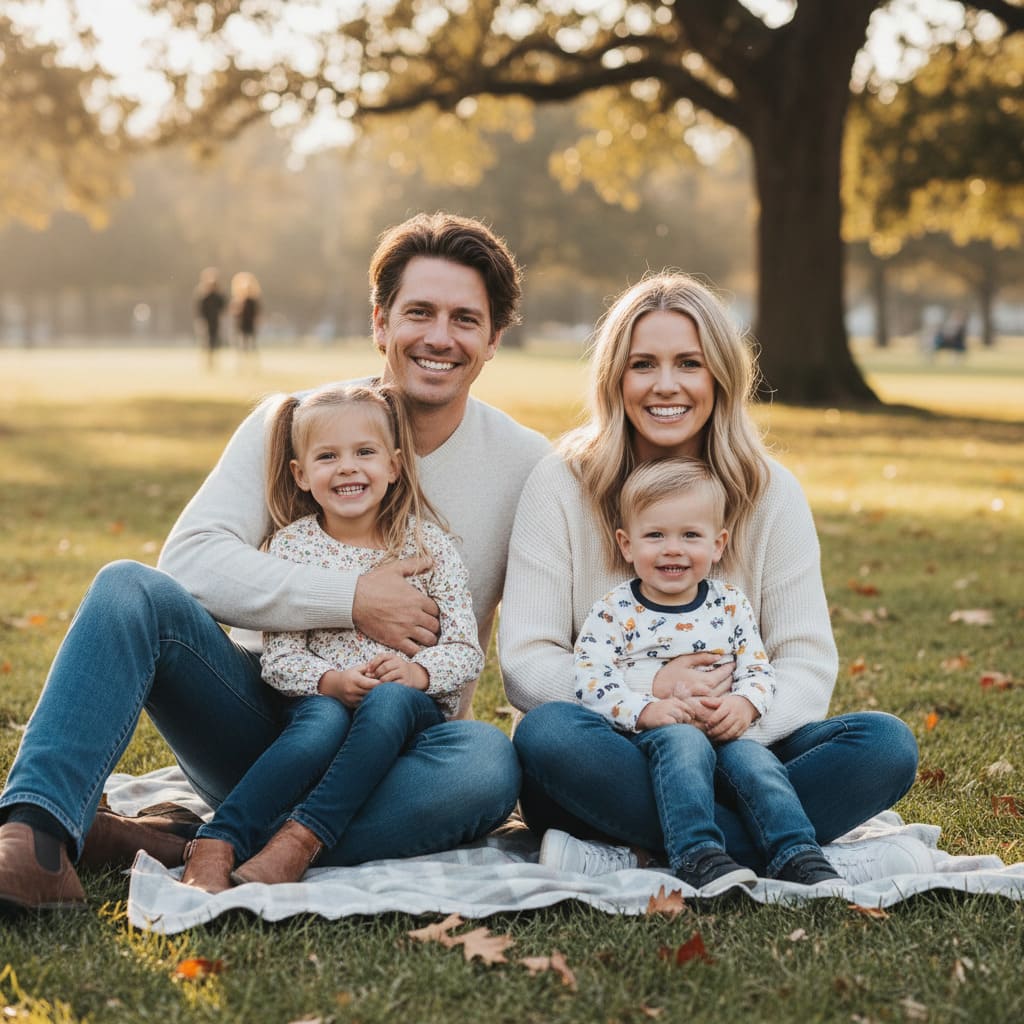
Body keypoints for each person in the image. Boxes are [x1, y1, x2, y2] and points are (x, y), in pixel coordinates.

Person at [0, 212, 550, 912]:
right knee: (127, 589)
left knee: (488, 763)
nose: (440, 337)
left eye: (465, 319)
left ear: (494, 338)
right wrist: (352, 597)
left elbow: (538, 638)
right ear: (380, 322)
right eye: (419, 312)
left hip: (402, 751)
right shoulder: (292, 424)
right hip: (271, 724)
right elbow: (190, 562)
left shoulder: (527, 463)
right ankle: (37, 840)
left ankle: (194, 842)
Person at [500, 272, 927, 888]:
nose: (665, 385)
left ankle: (653, 852)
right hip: (614, 752)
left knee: (885, 745)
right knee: (546, 734)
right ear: (615, 377)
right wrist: (652, 699)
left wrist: (734, 713)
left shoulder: (770, 492)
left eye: (689, 363)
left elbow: (805, 661)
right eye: (643, 363)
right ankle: (788, 845)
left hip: (743, 750)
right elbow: (525, 661)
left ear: (720, 375)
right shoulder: (561, 483)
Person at [180, 383, 484, 891]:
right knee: (319, 721)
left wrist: (417, 672)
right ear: (301, 475)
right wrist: (331, 682)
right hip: (320, 702)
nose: (347, 467)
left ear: (393, 465)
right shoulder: (292, 547)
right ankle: (218, 839)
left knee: (389, 702)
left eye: (364, 452)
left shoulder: (429, 546)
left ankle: (299, 840)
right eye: (327, 456)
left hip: (410, 714)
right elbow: (279, 661)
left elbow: (466, 652)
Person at [563, 457, 842, 893]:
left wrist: (745, 704)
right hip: (654, 737)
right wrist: (646, 710)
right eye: (655, 535)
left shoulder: (730, 605)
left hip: (727, 732)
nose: (672, 548)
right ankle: (697, 854)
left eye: (690, 535)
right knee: (683, 743)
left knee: (758, 764)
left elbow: (757, 667)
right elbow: (591, 675)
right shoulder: (615, 609)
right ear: (626, 544)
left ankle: (797, 853)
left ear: (718, 544)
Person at [195, 267, 226, 368]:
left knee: (214, 341)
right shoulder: (203, 296)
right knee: (206, 342)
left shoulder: (218, 296)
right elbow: (199, 310)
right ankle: (206, 362)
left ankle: (213, 361)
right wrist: (201, 321)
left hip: (215, 322)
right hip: (206, 322)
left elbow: (223, 307)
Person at [231, 271, 261, 356]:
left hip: (250, 324)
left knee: (252, 343)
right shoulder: (238, 300)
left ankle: (252, 360)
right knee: (241, 343)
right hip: (241, 325)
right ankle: (242, 360)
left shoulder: (253, 301)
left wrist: (257, 321)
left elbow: (257, 313)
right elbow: (234, 313)